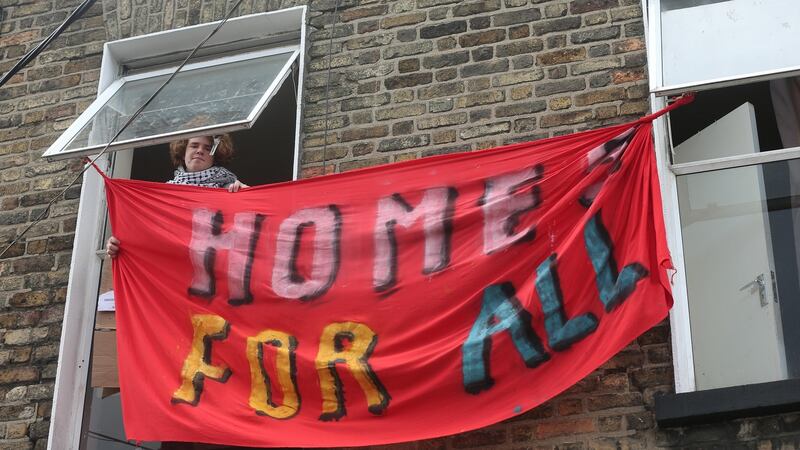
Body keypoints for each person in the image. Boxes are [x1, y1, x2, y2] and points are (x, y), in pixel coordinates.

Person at [106, 134, 247, 258]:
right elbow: (146, 231)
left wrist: (247, 194)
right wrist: (120, 244)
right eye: (194, 145)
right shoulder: (164, 194)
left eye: (208, 148)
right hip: (176, 267)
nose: (199, 150)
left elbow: (249, 232)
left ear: (215, 156)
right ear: (183, 151)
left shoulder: (229, 189)